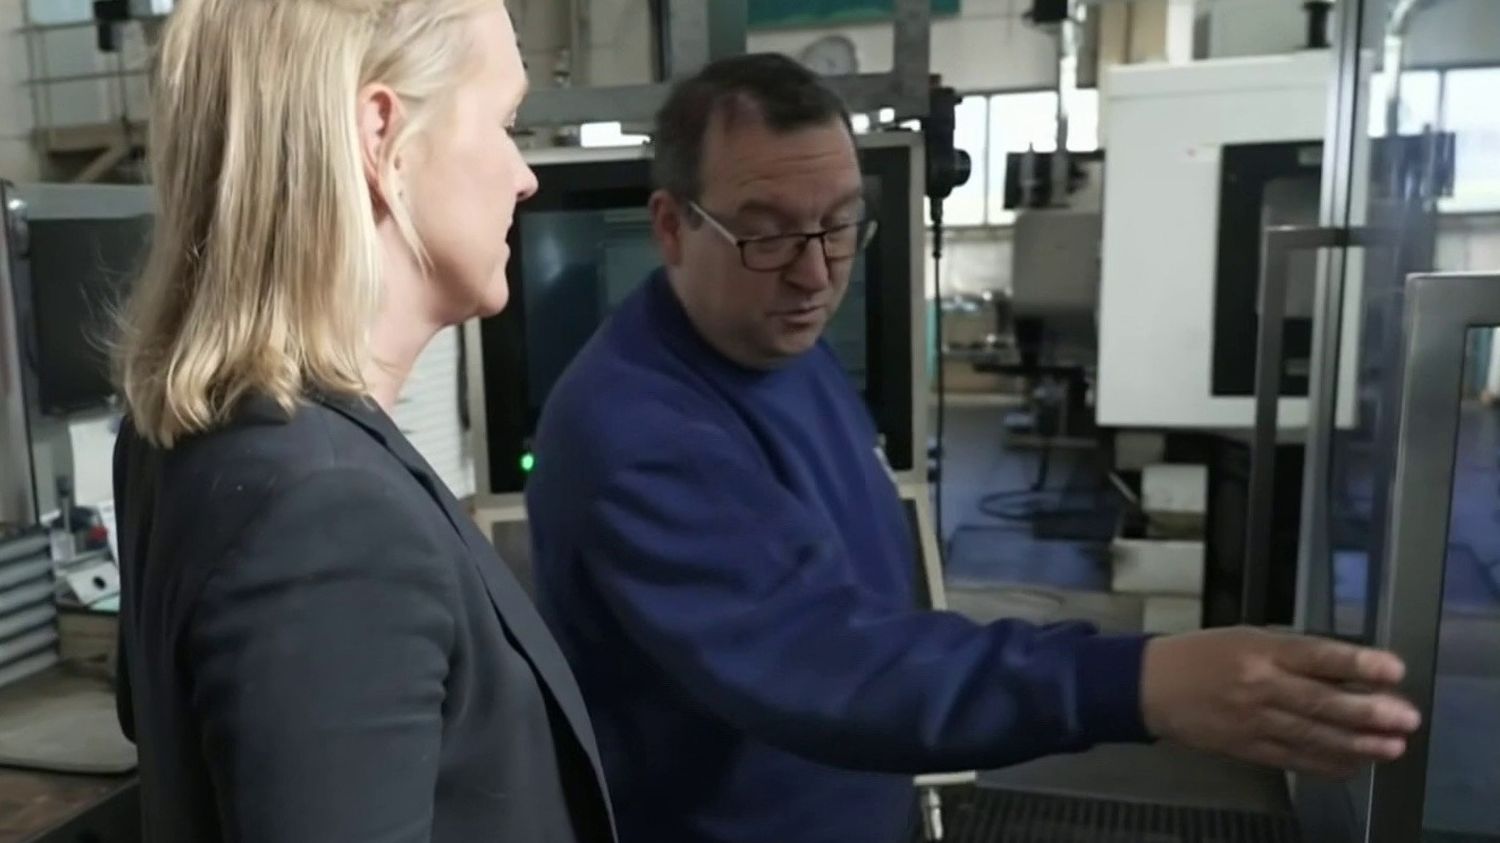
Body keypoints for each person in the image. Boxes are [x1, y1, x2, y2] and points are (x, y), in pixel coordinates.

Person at [524, 53, 1421, 843]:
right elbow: (826, 663)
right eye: (766, 233)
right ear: (671, 227)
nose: (815, 274)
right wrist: (1142, 681)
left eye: (841, 223)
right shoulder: (633, 432)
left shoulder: (777, 341)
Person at [110, 2, 614, 841]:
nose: (525, 175)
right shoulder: (331, 517)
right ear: (384, 137)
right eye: (505, 122)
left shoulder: (184, 431)